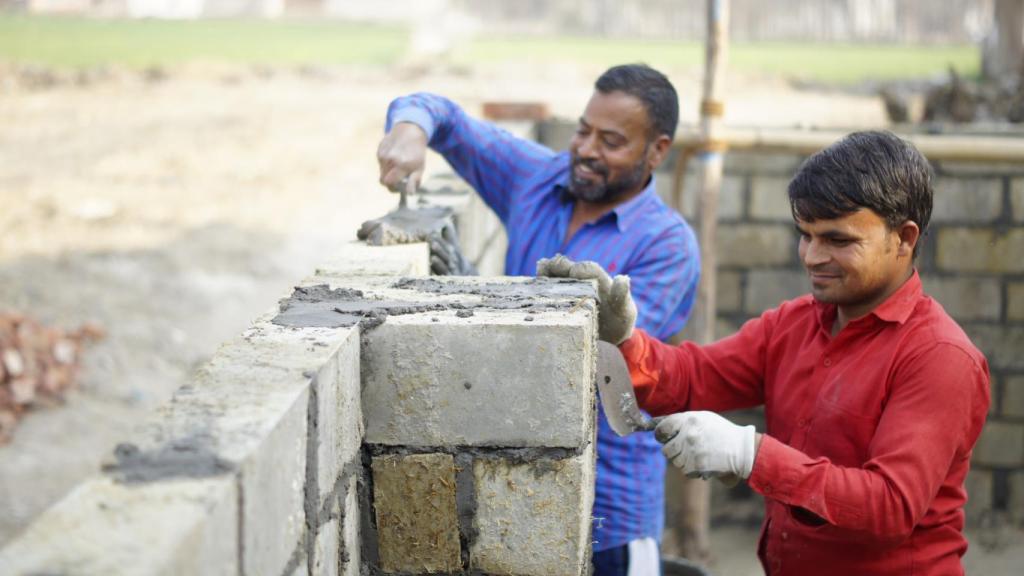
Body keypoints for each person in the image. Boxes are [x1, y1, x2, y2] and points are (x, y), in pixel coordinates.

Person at [538, 131, 990, 575]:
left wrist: (750, 454)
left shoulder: (939, 357)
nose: (812, 256)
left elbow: (889, 505)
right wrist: (621, 339)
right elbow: (694, 377)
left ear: (904, 238)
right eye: (806, 234)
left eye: (838, 240)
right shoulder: (794, 324)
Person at [376, 64, 701, 574]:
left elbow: (595, 370)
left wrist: (474, 295)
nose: (588, 150)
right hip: (522, 489)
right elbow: (447, 118)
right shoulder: (537, 179)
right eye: (583, 130)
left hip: (613, 507)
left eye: (611, 141)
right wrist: (410, 131)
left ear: (656, 151)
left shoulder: (667, 246)